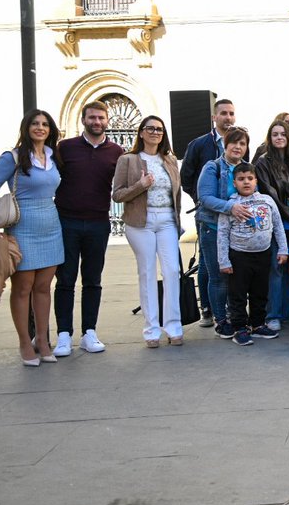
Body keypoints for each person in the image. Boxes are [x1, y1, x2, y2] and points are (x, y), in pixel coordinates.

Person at [0, 110, 65, 366]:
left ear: (50, 129)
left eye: (44, 124)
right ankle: (23, 342)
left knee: (43, 288)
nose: (40, 128)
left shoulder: (52, 156)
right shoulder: (13, 157)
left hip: (51, 225)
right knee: (23, 288)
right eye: (35, 124)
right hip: (23, 226)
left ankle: (42, 340)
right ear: (26, 128)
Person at [51, 99, 123, 357]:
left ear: (107, 121)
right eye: (92, 118)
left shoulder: (116, 152)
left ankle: (89, 333)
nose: (97, 122)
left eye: (101, 118)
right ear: (83, 120)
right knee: (65, 279)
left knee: (93, 279)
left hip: (98, 223)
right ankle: (63, 335)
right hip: (66, 221)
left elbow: (124, 185)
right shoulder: (65, 148)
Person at [112, 116, 183, 348]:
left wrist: (178, 220)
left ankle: (173, 326)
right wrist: (139, 187)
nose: (155, 132)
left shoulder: (169, 160)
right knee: (147, 272)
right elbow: (118, 195)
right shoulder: (128, 160)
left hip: (167, 220)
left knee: (172, 270)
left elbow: (177, 194)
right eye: (150, 128)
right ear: (141, 133)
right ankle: (151, 330)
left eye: (159, 129)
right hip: (140, 221)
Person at [216, 163, 288, 345]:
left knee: (260, 292)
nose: (246, 182)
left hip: (263, 255)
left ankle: (257, 324)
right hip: (239, 256)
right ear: (234, 182)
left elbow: (278, 226)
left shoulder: (267, 200)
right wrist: (224, 261)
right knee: (238, 294)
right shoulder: (231, 205)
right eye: (241, 179)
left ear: (256, 180)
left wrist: (283, 249)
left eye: (250, 178)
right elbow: (222, 233)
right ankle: (239, 328)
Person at [180, 98, 235, 325]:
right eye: (223, 113)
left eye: (231, 113)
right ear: (214, 117)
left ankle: (229, 310)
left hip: (232, 216)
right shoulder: (200, 144)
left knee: (228, 264)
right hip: (209, 216)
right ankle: (208, 310)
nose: (228, 117)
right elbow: (186, 176)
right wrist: (203, 199)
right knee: (207, 264)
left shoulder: (238, 142)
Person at [253, 118, 289, 331]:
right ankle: (273, 314)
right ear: (270, 137)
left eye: (283, 134)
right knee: (277, 267)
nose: (279, 138)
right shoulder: (263, 163)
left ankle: (287, 312)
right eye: (275, 134)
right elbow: (270, 195)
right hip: (277, 220)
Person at [195, 127, 251, 328]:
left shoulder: (247, 169)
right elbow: (205, 197)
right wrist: (231, 207)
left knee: (236, 278)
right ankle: (220, 320)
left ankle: (234, 315)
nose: (238, 147)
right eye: (234, 142)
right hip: (213, 228)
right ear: (225, 145)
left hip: (238, 232)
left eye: (242, 143)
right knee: (218, 277)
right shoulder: (213, 167)